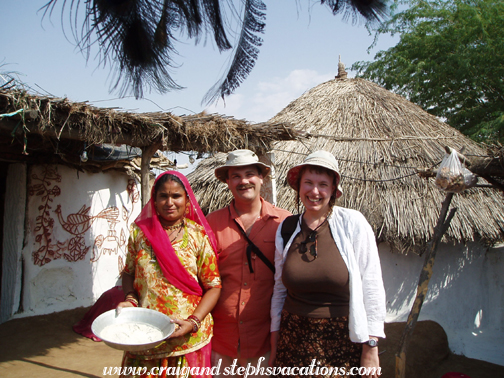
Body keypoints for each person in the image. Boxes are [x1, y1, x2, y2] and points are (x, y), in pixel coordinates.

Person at [270, 150, 386, 378]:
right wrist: (275, 347)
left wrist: (371, 347)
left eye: (323, 184)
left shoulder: (353, 224)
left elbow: (371, 285)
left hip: (342, 341)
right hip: (293, 341)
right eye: (308, 183)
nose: (314, 191)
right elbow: (279, 290)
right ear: (298, 187)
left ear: (333, 189)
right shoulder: (286, 228)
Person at [118, 171, 221, 377]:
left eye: (176, 196)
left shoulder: (197, 236)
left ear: (187, 200)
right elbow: (128, 272)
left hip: (186, 341)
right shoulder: (139, 234)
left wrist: (193, 322)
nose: (169, 202)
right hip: (144, 337)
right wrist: (130, 298)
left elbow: (214, 286)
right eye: (163, 196)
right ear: (154, 201)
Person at [206, 149, 291, 377]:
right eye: (235, 176)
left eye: (249, 173)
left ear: (261, 177)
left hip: (265, 341)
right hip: (222, 341)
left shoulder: (285, 222)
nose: (244, 181)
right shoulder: (210, 224)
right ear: (227, 182)